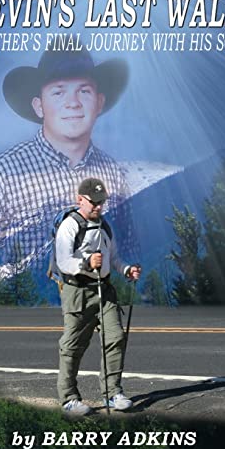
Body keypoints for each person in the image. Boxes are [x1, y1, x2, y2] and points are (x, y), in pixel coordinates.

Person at [0, 44, 138, 278]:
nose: (73, 103)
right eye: (58, 92)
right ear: (39, 106)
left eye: (84, 91)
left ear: (99, 102)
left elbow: (127, 249)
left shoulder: (114, 174)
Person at [56, 177, 141, 414]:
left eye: (101, 202)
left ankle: (112, 392)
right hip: (78, 291)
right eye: (94, 202)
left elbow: (112, 257)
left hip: (104, 289)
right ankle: (69, 398)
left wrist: (126, 270)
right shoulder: (70, 226)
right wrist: (86, 261)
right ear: (80, 199)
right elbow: (63, 262)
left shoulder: (105, 225)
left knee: (115, 337)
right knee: (73, 345)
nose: (98, 207)